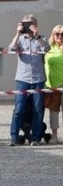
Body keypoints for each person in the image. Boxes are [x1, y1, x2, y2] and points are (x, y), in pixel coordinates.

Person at [7, 16, 47, 146]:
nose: (28, 26)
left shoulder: (42, 38)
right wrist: (17, 33)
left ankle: (35, 138)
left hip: (38, 78)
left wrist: (37, 36)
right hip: (22, 78)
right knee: (19, 108)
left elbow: (47, 49)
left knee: (38, 109)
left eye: (30, 24)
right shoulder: (20, 39)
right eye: (25, 24)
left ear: (36, 24)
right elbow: (11, 49)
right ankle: (14, 137)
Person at [45, 24, 63, 144]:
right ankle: (54, 136)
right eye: (57, 34)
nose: (60, 36)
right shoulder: (48, 48)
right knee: (53, 111)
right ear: (53, 35)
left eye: (62, 34)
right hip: (52, 84)